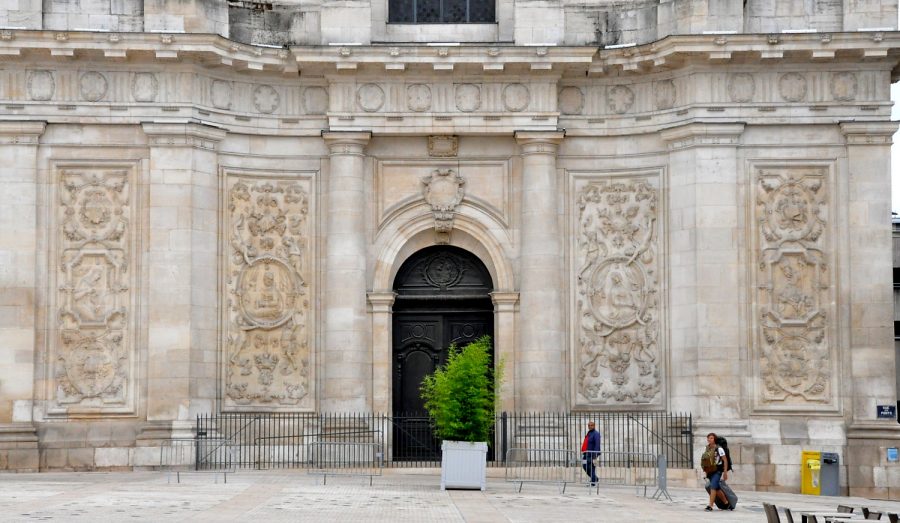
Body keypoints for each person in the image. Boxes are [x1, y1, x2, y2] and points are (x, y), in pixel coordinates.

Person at [701, 432, 731, 511]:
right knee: (716, 488)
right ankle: (726, 503)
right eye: (708, 438)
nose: (709, 439)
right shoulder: (707, 448)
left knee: (713, 486)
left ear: (714, 439)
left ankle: (710, 506)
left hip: (717, 470)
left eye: (711, 438)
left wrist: (725, 472)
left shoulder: (719, 448)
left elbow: (725, 460)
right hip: (710, 471)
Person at [581, 421, 601, 486]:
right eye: (589, 425)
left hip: (592, 454)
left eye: (591, 425)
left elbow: (597, 445)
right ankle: (595, 478)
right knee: (584, 466)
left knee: (591, 468)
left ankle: (592, 483)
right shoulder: (589, 433)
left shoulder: (596, 434)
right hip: (586, 454)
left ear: (594, 426)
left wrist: (595, 455)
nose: (590, 426)